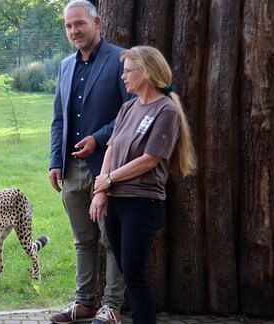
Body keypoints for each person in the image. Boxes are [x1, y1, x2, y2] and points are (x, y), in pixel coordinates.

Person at [89, 45, 197, 324]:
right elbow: (111, 149)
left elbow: (150, 159)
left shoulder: (167, 111)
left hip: (142, 202)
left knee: (134, 272)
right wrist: (101, 190)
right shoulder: (127, 107)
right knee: (127, 269)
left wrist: (109, 179)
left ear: (146, 72)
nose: (123, 77)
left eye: (127, 71)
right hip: (116, 200)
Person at [48, 0, 130, 323]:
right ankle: (84, 303)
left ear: (97, 23)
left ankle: (112, 306)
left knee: (111, 240)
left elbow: (131, 113)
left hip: (108, 168)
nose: (74, 31)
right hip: (70, 170)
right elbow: (58, 118)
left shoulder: (121, 59)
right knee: (82, 239)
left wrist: (99, 137)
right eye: (68, 26)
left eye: (79, 24)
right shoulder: (65, 66)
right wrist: (55, 161)